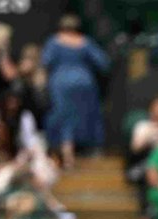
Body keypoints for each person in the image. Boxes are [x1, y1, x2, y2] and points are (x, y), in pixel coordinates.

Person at [41, 15, 109, 169]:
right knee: (86, 115)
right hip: (84, 82)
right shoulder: (85, 41)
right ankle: (91, 150)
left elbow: (46, 61)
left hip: (61, 82)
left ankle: (68, 156)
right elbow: (103, 62)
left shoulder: (54, 41)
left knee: (64, 117)